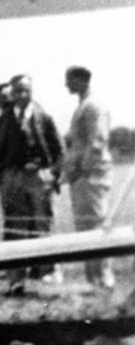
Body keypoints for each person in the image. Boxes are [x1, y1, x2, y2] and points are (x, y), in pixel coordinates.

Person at [0, 74, 64, 294]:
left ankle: (47, 273)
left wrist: (52, 175)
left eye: (26, 90)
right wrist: (2, 176)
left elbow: (59, 150)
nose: (22, 95)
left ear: (32, 91)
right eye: (18, 91)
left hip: (39, 179)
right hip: (13, 180)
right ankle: (16, 280)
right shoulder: (3, 120)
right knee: (15, 227)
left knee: (43, 224)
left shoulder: (44, 117)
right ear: (11, 93)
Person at [63, 65, 116, 289]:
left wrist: (81, 170)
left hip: (91, 177)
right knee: (85, 229)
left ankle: (104, 279)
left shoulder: (94, 106)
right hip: (82, 177)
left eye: (70, 80)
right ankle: (94, 280)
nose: (66, 85)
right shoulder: (84, 105)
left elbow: (97, 142)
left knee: (95, 227)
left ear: (82, 80)